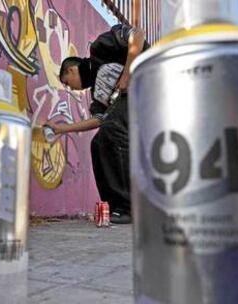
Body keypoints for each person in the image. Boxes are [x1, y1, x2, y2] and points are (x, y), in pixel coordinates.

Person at [45, 24, 150, 224]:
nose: (72, 89)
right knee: (98, 142)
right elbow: (99, 119)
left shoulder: (100, 48)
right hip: (135, 109)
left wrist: (127, 74)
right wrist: (62, 129)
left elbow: (137, 35)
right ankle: (115, 206)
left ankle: (129, 206)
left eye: (68, 83)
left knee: (112, 129)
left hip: (151, 84)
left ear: (73, 69)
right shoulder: (98, 96)